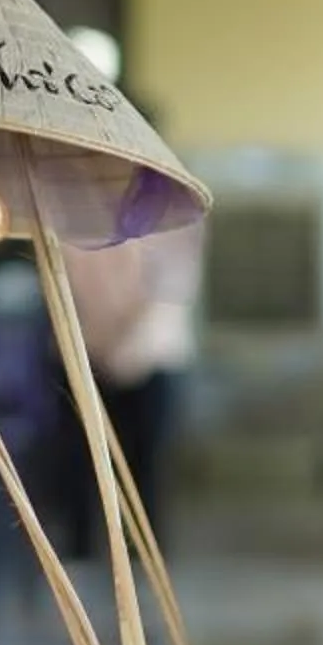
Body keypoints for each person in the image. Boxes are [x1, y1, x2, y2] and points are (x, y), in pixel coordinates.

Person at [53, 218, 204, 544]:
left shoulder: (172, 218)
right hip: (88, 354)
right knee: (81, 461)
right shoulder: (78, 219)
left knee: (144, 466)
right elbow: (69, 280)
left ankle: (142, 550)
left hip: (152, 356)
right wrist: (100, 343)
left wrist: (122, 344)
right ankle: (83, 546)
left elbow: (171, 285)